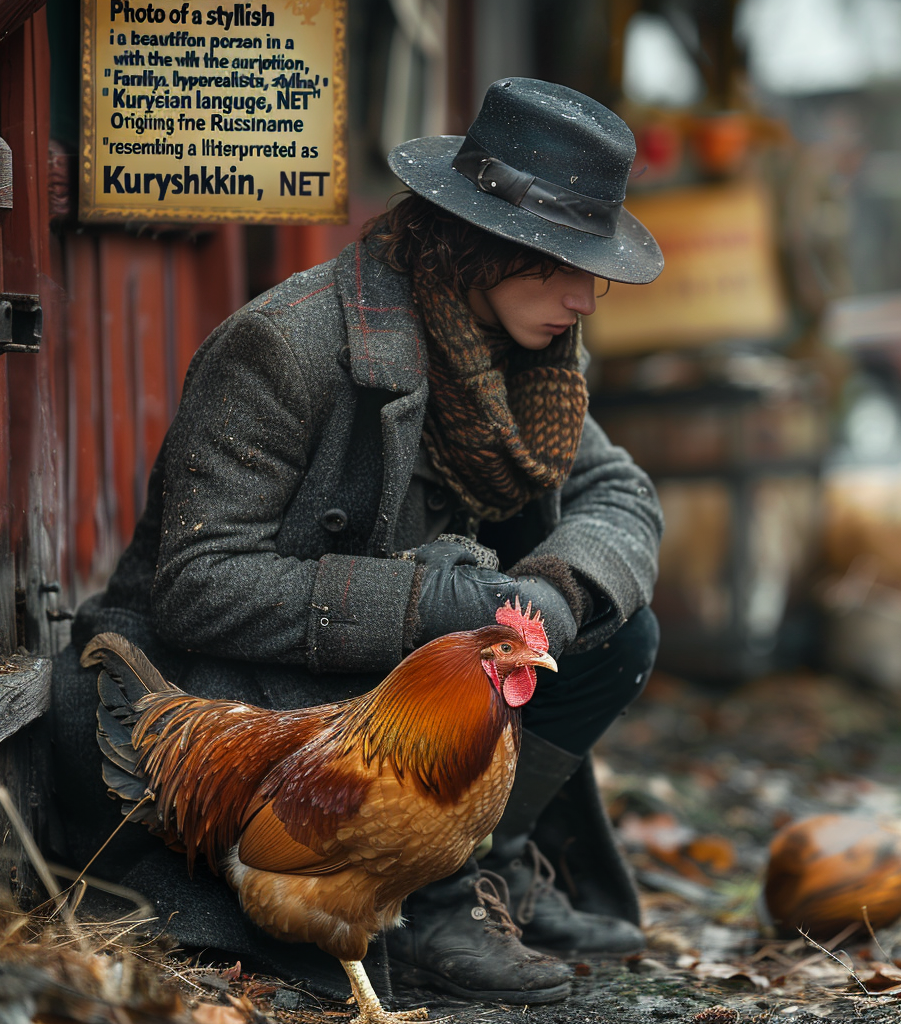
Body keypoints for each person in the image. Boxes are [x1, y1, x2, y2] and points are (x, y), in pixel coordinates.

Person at [49, 77, 665, 1007]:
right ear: (477, 245)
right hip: (243, 682)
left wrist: (560, 588)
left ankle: (471, 871)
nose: (585, 298)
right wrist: (425, 606)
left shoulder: (526, 362)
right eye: (559, 263)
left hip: (393, 708)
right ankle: (430, 911)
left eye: (596, 270)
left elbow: (619, 490)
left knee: (621, 630)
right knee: (452, 640)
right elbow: (198, 584)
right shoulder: (286, 345)